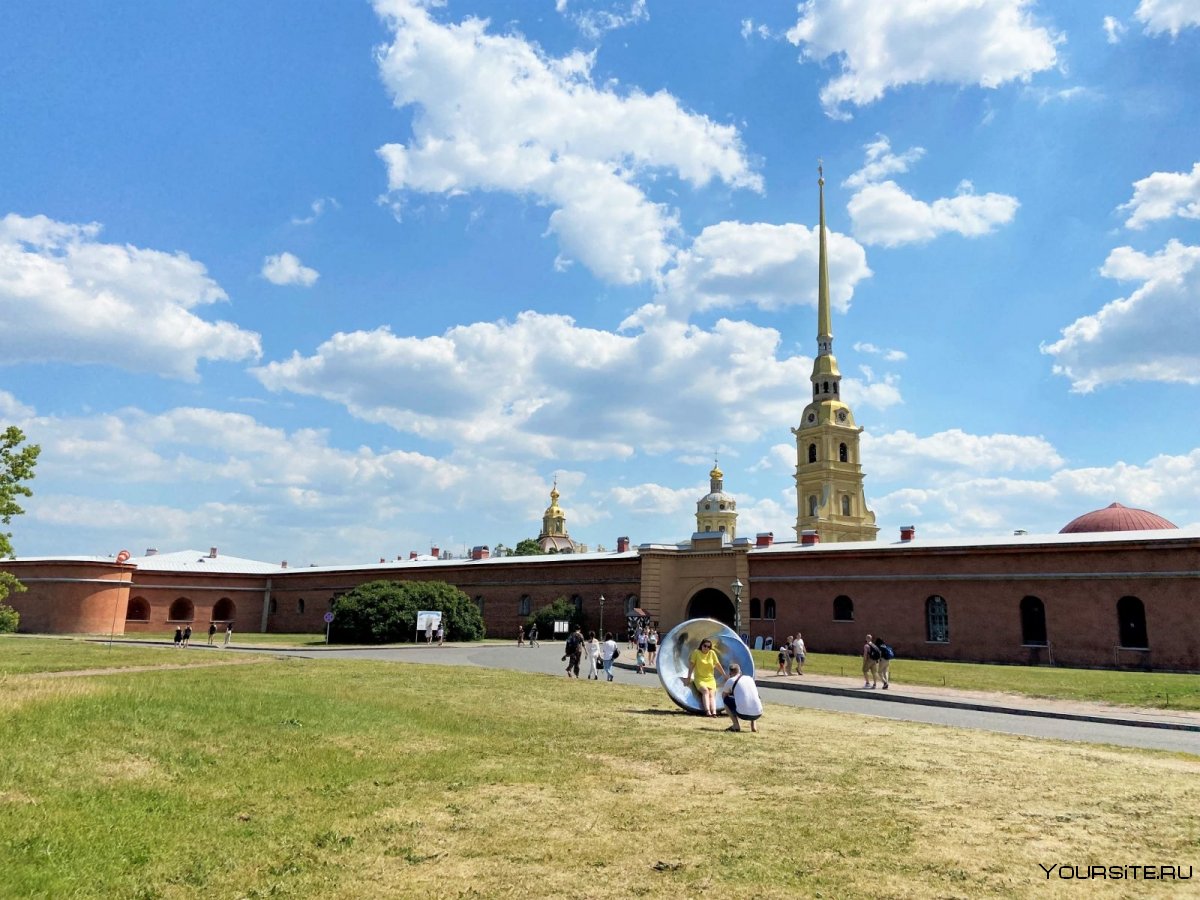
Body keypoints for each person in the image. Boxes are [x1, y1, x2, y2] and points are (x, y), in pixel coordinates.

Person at [685, 637, 726, 717]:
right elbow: (691, 666)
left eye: (708, 647)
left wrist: (724, 675)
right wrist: (688, 677)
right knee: (705, 691)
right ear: (701, 645)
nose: (706, 648)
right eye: (705, 646)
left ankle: (714, 712)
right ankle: (707, 711)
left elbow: (717, 665)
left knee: (712, 694)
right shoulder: (696, 652)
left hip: (710, 679)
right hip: (699, 678)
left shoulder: (712, 653)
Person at [721, 663, 763, 732]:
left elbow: (723, 696)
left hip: (742, 714)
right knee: (753, 697)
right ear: (740, 671)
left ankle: (736, 725)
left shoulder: (730, 680)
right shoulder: (750, 678)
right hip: (758, 713)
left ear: (730, 673)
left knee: (726, 700)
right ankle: (753, 726)